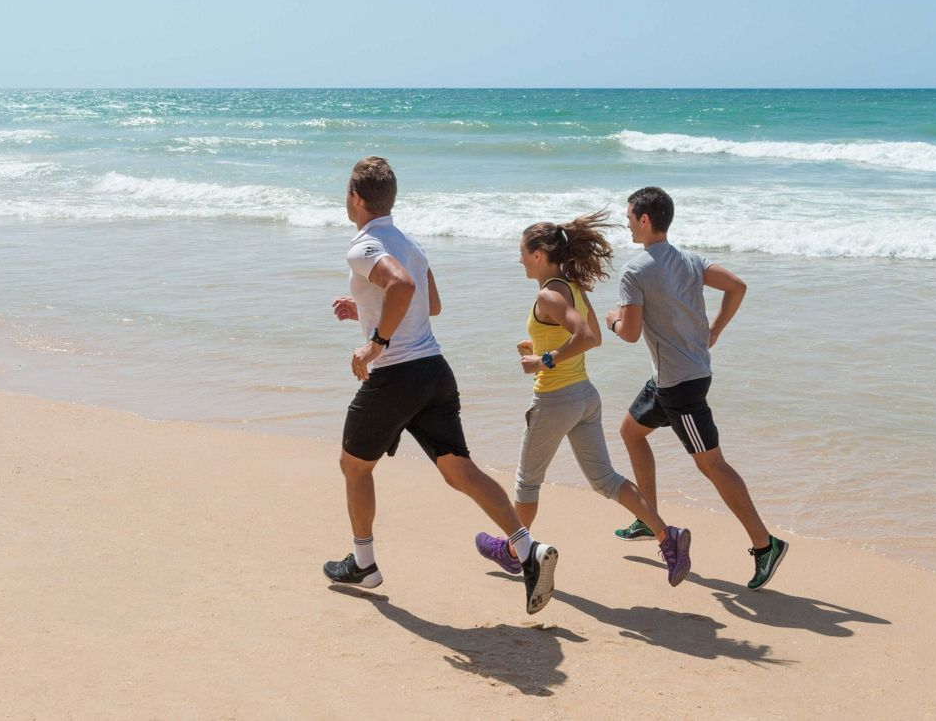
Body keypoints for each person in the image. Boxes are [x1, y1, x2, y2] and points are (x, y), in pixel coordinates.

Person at [323, 156, 559, 614]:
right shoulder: (410, 243)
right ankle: (528, 549)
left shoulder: (364, 245)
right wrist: (365, 309)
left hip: (396, 376)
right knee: (459, 471)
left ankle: (363, 564)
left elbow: (403, 287)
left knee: (354, 466)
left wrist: (375, 343)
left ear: (356, 197)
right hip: (434, 371)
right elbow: (430, 304)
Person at [473, 212, 691, 587]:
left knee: (526, 483)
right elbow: (593, 337)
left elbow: (588, 337)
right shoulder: (571, 286)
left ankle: (512, 552)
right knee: (606, 480)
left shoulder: (548, 294)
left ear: (539, 254)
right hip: (585, 397)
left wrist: (543, 360)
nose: (520, 260)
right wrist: (541, 348)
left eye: (522, 253)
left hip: (554, 400)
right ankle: (666, 535)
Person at [603, 187, 788, 590]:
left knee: (712, 465)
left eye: (629, 217)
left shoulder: (635, 271)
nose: (627, 223)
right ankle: (648, 519)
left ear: (645, 219)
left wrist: (612, 319)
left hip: (680, 387)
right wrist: (714, 330)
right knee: (631, 432)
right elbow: (737, 286)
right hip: (677, 375)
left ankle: (765, 544)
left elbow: (629, 334)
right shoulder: (691, 260)